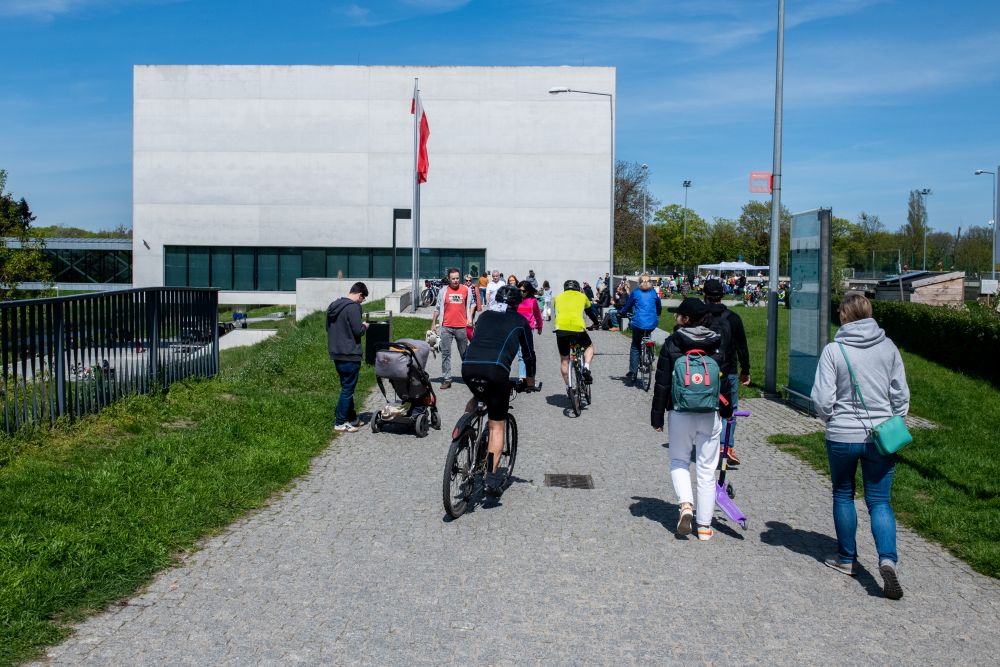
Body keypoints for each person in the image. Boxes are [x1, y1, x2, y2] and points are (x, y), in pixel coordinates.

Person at [810, 291, 910, 600]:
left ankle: (847, 558)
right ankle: (887, 559)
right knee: (880, 501)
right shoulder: (889, 347)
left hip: (842, 433)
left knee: (843, 493)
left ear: (843, 316)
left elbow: (823, 399)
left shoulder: (834, 350)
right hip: (881, 436)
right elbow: (900, 394)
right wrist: (895, 419)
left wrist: (829, 418)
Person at [651, 298, 733, 540]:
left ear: (685, 319)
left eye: (679, 315)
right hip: (710, 412)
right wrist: (727, 410)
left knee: (679, 461)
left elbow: (663, 382)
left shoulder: (673, 343)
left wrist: (657, 417)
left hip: (679, 411)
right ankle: (705, 527)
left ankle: (686, 504)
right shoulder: (716, 342)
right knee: (708, 470)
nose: (676, 317)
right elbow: (724, 379)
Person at [462, 285, 536, 496]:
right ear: (516, 304)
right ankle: (492, 478)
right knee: (497, 426)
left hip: (468, 367)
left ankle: (465, 429)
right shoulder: (520, 321)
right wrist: (529, 382)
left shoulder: (484, 316)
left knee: (477, 394)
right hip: (496, 371)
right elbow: (529, 356)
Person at [702, 278, 750, 465]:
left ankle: (708, 445)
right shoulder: (733, 318)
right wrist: (745, 370)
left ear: (705, 295)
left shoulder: (701, 317)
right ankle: (726, 445)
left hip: (705, 369)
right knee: (730, 408)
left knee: (705, 407)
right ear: (722, 295)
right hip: (728, 369)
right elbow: (742, 347)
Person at [326, 282, 370, 432]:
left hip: (336, 353)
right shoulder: (354, 307)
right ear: (360, 295)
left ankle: (352, 418)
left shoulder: (333, 306)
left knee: (347, 386)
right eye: (362, 299)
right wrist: (365, 326)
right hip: (350, 353)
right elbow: (358, 331)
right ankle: (340, 421)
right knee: (347, 389)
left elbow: (328, 328)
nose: (361, 302)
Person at [430, 268, 475, 389]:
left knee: (464, 353)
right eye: (453, 278)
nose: (455, 280)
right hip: (446, 327)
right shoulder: (443, 291)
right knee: (445, 353)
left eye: (457, 278)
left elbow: (472, 304)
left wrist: (469, 318)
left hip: (461, 327)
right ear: (449, 279)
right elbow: (438, 308)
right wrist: (433, 323)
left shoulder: (466, 289)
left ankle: (469, 377)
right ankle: (447, 379)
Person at [552, 279, 595, 398]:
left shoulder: (558, 297)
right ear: (577, 288)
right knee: (589, 347)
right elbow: (590, 311)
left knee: (564, 360)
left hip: (561, 330)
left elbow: (556, 314)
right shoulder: (582, 296)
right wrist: (596, 323)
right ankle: (586, 367)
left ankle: (569, 387)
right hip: (578, 329)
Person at [621, 273, 662, 385]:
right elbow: (659, 306)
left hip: (638, 324)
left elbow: (628, 306)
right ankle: (649, 356)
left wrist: (622, 312)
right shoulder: (653, 292)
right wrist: (657, 314)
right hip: (652, 323)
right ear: (650, 282)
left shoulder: (636, 292)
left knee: (635, 346)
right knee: (647, 335)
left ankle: (633, 371)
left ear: (639, 282)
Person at [515, 280, 543, 378]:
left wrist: (540, 327)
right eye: (520, 290)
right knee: (519, 353)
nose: (522, 293)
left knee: (524, 352)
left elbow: (537, 315)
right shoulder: (515, 299)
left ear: (528, 291)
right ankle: (522, 376)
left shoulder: (532, 300)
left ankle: (525, 376)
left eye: (524, 291)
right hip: (516, 328)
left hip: (528, 329)